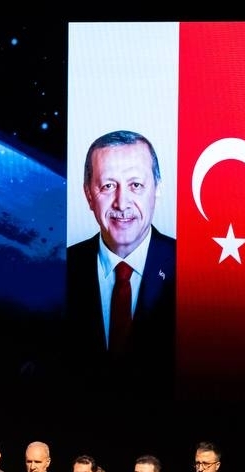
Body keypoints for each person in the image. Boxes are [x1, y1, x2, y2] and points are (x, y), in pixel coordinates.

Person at [66, 130, 175, 375]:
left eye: (136, 185)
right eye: (108, 186)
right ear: (88, 195)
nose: (121, 203)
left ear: (157, 189)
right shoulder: (60, 268)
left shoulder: (192, 268)